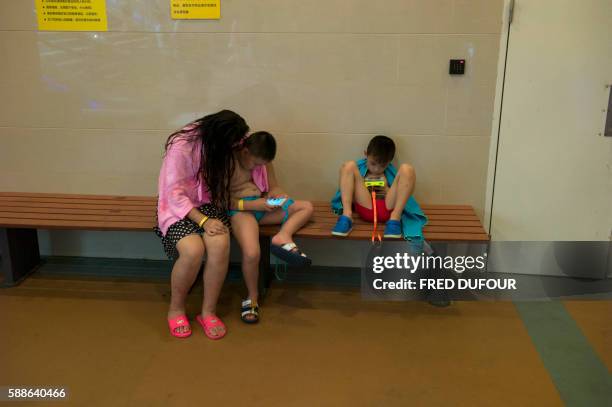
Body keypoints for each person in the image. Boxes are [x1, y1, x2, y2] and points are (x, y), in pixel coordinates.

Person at [154, 109, 249, 340]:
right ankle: (176, 309)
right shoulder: (181, 147)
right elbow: (173, 193)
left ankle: (208, 311)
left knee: (220, 244)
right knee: (192, 251)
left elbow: (252, 150)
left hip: (207, 203)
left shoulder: (224, 141)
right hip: (177, 208)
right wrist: (203, 221)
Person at [228, 131, 314, 323]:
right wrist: (252, 205)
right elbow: (221, 201)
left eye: (263, 164)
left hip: (262, 205)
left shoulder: (264, 163)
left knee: (306, 207)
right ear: (245, 151)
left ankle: (283, 236)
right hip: (241, 211)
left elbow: (274, 187)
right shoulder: (229, 162)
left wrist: (279, 195)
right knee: (252, 253)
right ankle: (252, 297)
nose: (260, 167)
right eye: (257, 164)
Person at [330, 135, 427, 240]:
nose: (376, 169)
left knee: (407, 169)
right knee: (348, 165)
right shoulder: (358, 169)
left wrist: (385, 189)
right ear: (366, 154)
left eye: (382, 166)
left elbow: (401, 193)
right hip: (365, 206)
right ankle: (347, 216)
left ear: (389, 162)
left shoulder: (390, 173)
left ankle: (396, 218)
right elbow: (350, 194)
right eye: (373, 163)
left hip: (389, 210)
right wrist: (362, 187)